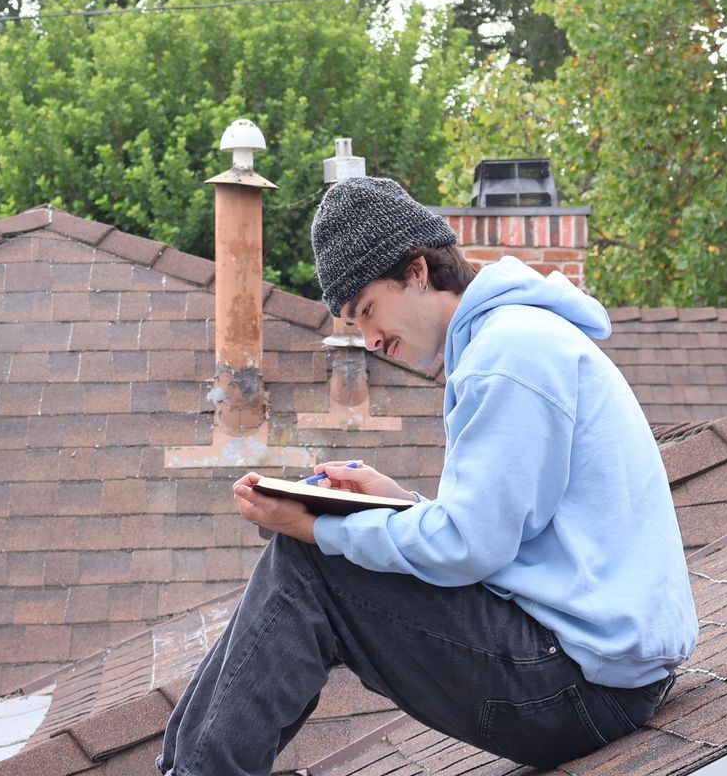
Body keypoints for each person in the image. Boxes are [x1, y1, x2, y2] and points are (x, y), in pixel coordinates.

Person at [157, 175, 696, 775]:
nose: (369, 339)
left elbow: (470, 547)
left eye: (366, 310)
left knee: (309, 562)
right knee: (315, 556)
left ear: (417, 270)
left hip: (579, 687)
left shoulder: (507, 355)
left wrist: (320, 531)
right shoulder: (514, 340)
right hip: (602, 672)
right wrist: (400, 502)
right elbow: (501, 534)